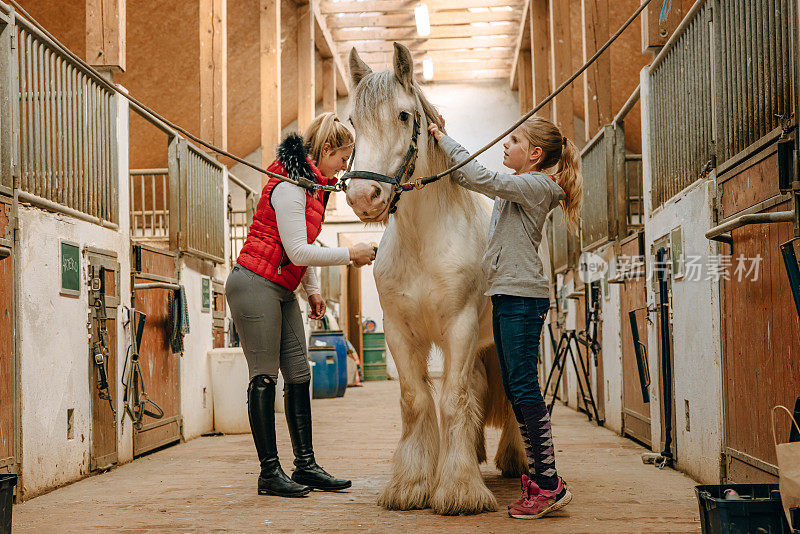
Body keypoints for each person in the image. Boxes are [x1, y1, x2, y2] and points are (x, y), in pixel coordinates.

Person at [428, 115, 582, 519]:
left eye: (513, 140)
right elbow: (470, 180)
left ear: (533, 154)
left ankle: (548, 482)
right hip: (505, 296)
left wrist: (445, 138)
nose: (505, 144)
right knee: (516, 390)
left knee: (525, 390)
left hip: (521, 299)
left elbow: (480, 177)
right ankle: (540, 476)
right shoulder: (520, 189)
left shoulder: (535, 186)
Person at [226, 113, 375, 498]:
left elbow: (299, 247)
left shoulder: (313, 189)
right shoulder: (292, 187)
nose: (345, 166)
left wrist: (311, 290)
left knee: (299, 374)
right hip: (254, 283)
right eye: (343, 158)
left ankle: (305, 465)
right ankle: (269, 473)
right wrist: (350, 254)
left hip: (282, 286)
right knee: (264, 376)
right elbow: (297, 249)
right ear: (325, 150)